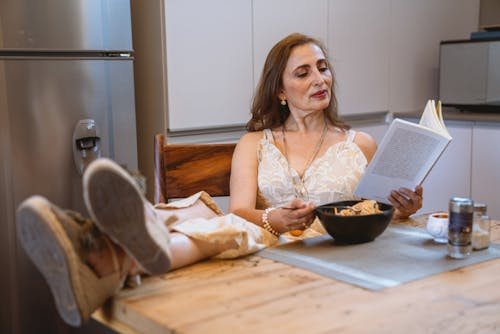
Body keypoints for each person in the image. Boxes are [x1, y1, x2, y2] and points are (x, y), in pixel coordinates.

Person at [16, 33, 422, 327]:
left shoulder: (363, 144)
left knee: (220, 222)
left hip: (330, 259)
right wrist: (271, 219)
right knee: (206, 211)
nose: (320, 79)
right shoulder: (254, 143)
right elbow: (244, 210)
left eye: (323, 67)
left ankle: (100, 250)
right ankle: (115, 243)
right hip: (265, 248)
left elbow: (372, 211)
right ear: (280, 91)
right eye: (303, 73)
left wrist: (403, 209)